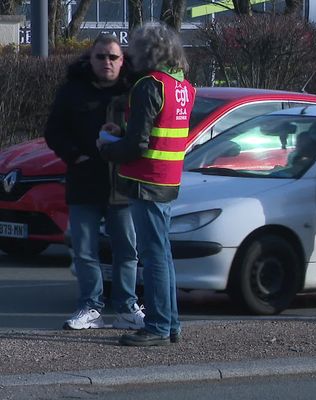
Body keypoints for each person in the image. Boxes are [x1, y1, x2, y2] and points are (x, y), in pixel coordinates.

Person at [98, 23, 196, 346]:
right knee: (163, 254)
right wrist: (124, 131)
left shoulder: (148, 86)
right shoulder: (183, 87)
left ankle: (156, 325)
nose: (132, 54)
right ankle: (171, 323)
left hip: (145, 180)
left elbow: (137, 145)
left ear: (150, 52)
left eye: (137, 48)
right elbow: (158, 131)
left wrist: (108, 146)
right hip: (169, 180)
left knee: (153, 257)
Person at [44, 34, 144, 330]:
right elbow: (54, 131)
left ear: (123, 60)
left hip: (121, 183)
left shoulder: (133, 91)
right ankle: (90, 307)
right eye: (101, 56)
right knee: (85, 250)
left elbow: (145, 131)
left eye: (113, 57)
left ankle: (127, 307)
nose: (107, 62)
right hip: (84, 181)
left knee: (127, 249)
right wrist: (74, 156)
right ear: (90, 59)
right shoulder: (73, 91)